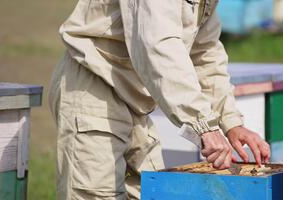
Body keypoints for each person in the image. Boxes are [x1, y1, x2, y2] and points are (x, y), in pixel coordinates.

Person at [48, 0, 271, 199]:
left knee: (150, 192)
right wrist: (204, 125)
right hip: (96, 87)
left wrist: (231, 122)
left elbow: (204, 54)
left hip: (137, 102)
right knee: (98, 193)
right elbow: (157, 44)